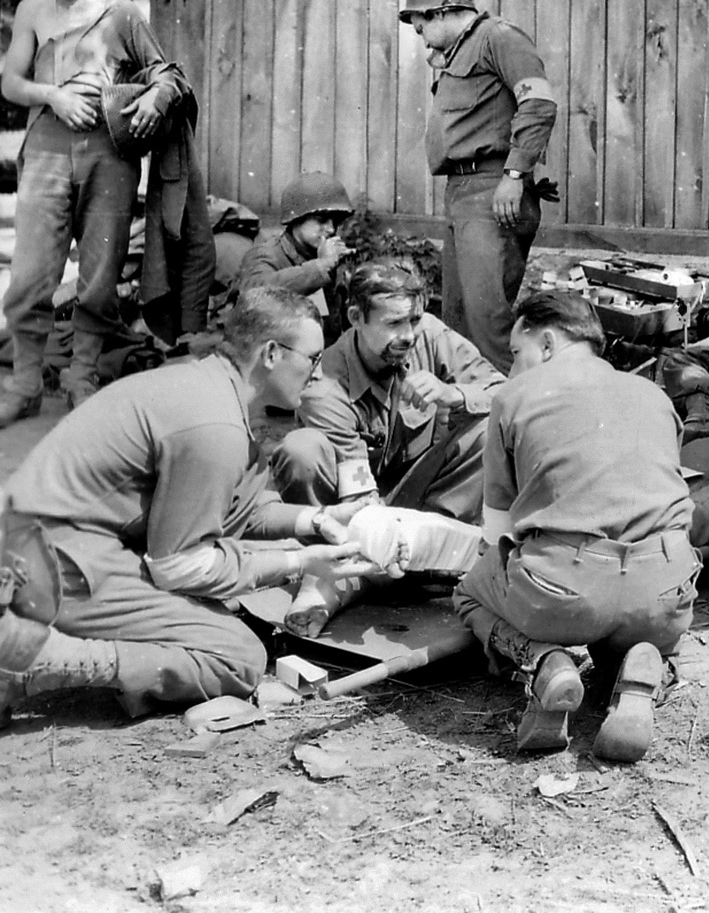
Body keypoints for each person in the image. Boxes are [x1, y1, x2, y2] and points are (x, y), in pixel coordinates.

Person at [0, 287, 371, 722]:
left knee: (226, 597)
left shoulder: (210, 386)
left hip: (56, 540)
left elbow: (235, 509)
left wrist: (320, 517)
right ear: (271, 354)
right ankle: (30, 666)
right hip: (57, 561)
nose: (318, 374)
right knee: (237, 655)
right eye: (313, 358)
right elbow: (178, 566)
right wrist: (301, 561)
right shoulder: (214, 424)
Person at [454, 292, 698, 762]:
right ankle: (642, 664)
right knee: (625, 613)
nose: (513, 368)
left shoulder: (512, 397)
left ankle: (544, 662)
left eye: (516, 353)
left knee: (469, 591)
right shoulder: (655, 395)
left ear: (546, 344)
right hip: (664, 590)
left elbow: (496, 534)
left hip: (564, 590)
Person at [0, 0, 204, 422]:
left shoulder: (122, 13)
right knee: (29, 275)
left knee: (99, 274)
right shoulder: (30, 10)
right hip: (46, 143)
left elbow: (166, 73)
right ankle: (24, 384)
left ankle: (82, 379)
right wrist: (55, 96)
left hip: (109, 151)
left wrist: (156, 98)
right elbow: (10, 83)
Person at [399, 0, 557, 376]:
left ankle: (519, 417)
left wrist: (515, 176)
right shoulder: (459, 52)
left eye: (421, 27)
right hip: (463, 191)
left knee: (489, 326)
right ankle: (472, 423)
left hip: (493, 189)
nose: (420, 40)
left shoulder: (498, 37)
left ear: (441, 12)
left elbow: (538, 104)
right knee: (458, 323)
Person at [273, 259, 506, 522]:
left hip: (417, 491)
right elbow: (359, 492)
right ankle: (328, 550)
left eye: (414, 320)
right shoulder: (324, 387)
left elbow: (506, 393)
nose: (408, 335)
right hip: (349, 504)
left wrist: (454, 394)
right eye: (394, 323)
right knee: (301, 450)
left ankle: (435, 541)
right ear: (356, 319)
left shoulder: (428, 332)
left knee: (490, 426)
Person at [238, 171, 354, 339]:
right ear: (297, 218)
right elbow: (254, 295)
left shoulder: (326, 255)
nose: (331, 229)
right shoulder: (265, 254)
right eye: (321, 220)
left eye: (336, 221)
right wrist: (322, 266)